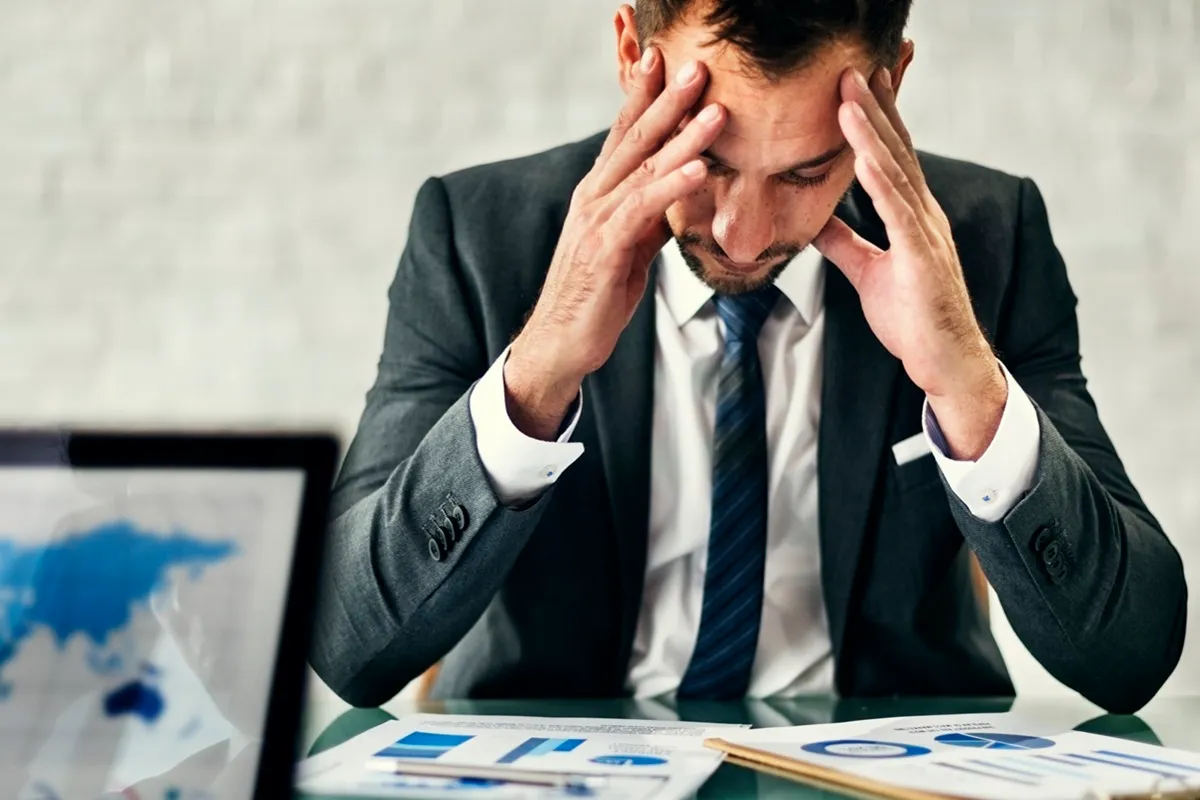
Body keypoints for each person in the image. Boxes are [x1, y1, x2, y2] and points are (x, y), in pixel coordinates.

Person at [309, 0, 1187, 714]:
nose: (744, 233)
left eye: (806, 174)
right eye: (709, 160)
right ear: (630, 52)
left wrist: (965, 380)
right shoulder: (477, 237)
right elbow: (348, 648)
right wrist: (536, 375)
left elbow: (1129, 660)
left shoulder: (989, 241)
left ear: (890, 88)